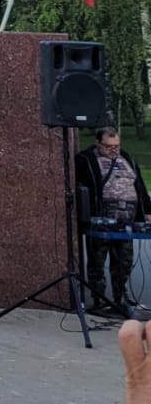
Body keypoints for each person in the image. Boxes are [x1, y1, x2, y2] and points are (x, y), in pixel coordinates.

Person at [78, 127, 151, 312]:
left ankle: (120, 298)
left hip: (126, 224)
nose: (113, 150)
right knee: (97, 262)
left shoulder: (126, 159)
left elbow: (140, 187)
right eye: (108, 146)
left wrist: (147, 211)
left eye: (116, 146)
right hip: (100, 223)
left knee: (123, 262)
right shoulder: (87, 160)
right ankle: (98, 300)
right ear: (98, 143)